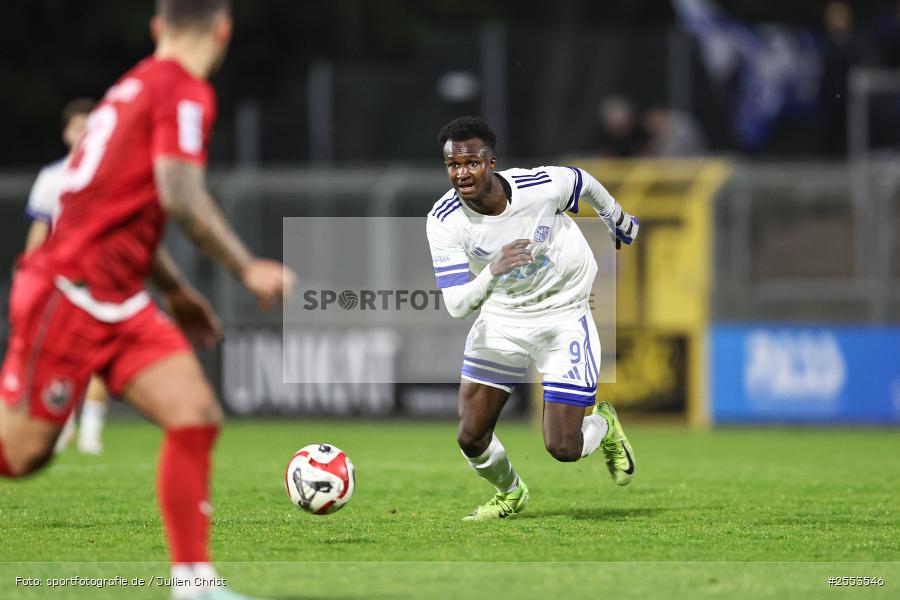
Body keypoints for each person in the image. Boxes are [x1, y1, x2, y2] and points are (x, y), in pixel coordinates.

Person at [0, 1, 294, 599]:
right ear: (224, 31)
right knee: (21, 456)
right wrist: (246, 268)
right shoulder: (182, 90)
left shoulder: (130, 87)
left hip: (119, 296)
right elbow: (179, 194)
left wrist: (177, 292)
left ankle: (194, 584)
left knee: (194, 413)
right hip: (68, 292)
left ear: (158, 28)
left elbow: (133, 209)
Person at [426, 116, 638, 521]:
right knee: (470, 436)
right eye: (453, 165)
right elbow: (456, 305)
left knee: (563, 447)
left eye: (471, 163)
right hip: (503, 318)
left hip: (563, 313)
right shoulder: (444, 220)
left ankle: (604, 426)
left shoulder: (538, 187)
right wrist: (492, 271)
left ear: (491, 162)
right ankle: (511, 492)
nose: (461, 173)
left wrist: (616, 218)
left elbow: (583, 180)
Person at [24, 98, 111, 456]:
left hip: (102, 277)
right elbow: (39, 229)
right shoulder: (51, 177)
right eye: (78, 128)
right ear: (66, 134)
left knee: (101, 357)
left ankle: (91, 432)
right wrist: (30, 274)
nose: (84, 135)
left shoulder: (109, 174)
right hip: (60, 278)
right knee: (61, 357)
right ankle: (63, 427)